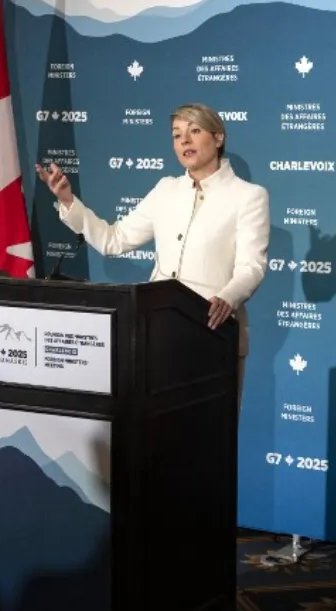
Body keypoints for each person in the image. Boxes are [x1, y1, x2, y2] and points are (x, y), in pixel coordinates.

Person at [36, 103, 270, 405]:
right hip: (157, 332)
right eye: (177, 135)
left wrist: (227, 298)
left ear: (218, 137)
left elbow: (251, 267)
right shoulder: (165, 190)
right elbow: (114, 240)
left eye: (195, 131)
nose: (184, 141)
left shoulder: (248, 196)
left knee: (209, 429)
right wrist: (68, 201)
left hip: (213, 332)